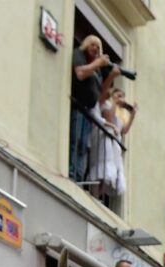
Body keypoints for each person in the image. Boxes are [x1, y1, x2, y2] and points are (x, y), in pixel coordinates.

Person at [70, 35, 119, 180]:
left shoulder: (97, 70)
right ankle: (72, 173)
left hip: (88, 112)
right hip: (78, 107)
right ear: (85, 45)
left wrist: (111, 76)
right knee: (76, 141)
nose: (95, 48)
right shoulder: (79, 55)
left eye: (98, 47)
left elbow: (101, 96)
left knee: (83, 146)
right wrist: (98, 63)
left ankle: (78, 176)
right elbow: (80, 74)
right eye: (92, 44)